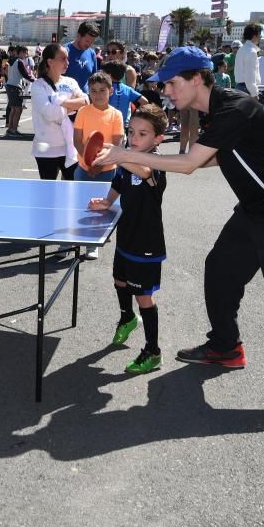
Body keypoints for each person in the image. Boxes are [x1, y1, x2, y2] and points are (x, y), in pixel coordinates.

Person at [95, 46, 264, 432]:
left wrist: (124, 155)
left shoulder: (234, 107)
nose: (166, 91)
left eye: (172, 83)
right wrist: (145, 159)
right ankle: (226, 346)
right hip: (256, 207)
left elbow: (188, 164)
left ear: (196, 79)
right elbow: (213, 156)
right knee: (219, 269)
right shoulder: (218, 112)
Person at [88, 104, 168, 374]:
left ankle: (152, 351)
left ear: (157, 139)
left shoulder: (155, 163)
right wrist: (107, 203)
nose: (134, 138)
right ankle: (126, 318)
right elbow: (119, 182)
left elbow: (143, 173)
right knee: (119, 280)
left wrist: (115, 155)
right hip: (126, 235)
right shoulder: (128, 157)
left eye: (143, 134)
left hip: (146, 244)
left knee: (143, 297)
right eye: (131, 131)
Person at [74, 71, 125, 260]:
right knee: (84, 205)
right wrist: (88, 162)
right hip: (84, 169)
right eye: (93, 90)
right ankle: (85, 239)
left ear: (110, 91)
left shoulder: (116, 115)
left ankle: (93, 242)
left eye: (102, 90)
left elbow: (118, 144)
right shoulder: (83, 111)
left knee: (103, 206)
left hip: (107, 170)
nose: (97, 94)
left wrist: (100, 164)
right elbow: (77, 141)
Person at [30, 43, 87, 180]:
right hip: (46, 150)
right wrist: (73, 106)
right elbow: (50, 113)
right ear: (50, 62)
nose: (67, 62)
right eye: (62, 59)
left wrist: (60, 103)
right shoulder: (39, 85)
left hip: (71, 147)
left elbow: (85, 102)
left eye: (67, 58)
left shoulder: (71, 82)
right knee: (48, 193)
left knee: (71, 189)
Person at [102, 59, 148, 129]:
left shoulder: (104, 89)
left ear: (109, 75)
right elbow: (144, 101)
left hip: (106, 123)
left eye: (104, 73)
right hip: (123, 125)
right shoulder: (128, 89)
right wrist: (135, 115)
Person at [5, 45, 36, 137]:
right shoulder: (19, 62)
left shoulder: (11, 60)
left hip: (10, 85)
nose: (26, 54)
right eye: (25, 52)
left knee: (13, 109)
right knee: (18, 109)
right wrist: (37, 81)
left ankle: (10, 129)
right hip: (15, 86)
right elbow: (26, 75)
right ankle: (13, 130)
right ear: (20, 52)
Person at [65, 21, 100, 92]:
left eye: (92, 42)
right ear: (78, 36)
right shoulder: (65, 51)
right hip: (66, 99)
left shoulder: (92, 53)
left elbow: (93, 78)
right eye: (87, 41)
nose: (89, 44)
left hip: (85, 99)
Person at [233, 24, 261, 97]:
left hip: (240, 87)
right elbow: (250, 77)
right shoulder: (251, 51)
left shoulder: (241, 49)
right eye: (259, 35)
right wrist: (255, 94)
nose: (260, 37)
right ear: (254, 36)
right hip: (247, 89)